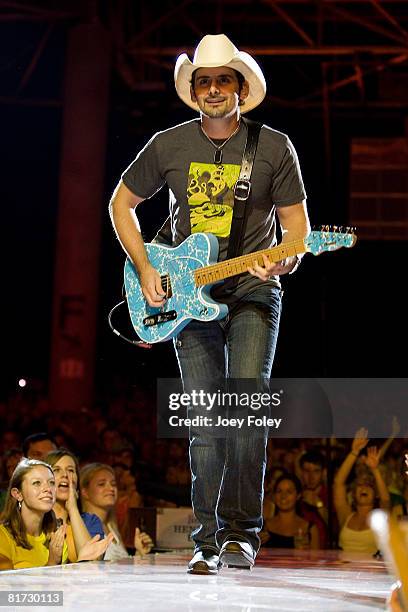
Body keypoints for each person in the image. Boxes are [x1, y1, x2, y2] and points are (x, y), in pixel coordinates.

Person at [109, 33, 310, 573]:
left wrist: (283, 261)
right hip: (186, 293)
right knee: (204, 416)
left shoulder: (274, 147)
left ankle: (239, 534)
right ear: (193, 91)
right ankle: (203, 539)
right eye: (205, 81)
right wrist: (148, 268)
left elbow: (297, 232)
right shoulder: (168, 145)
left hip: (251, 288)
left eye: (224, 80)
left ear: (241, 88)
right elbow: (120, 204)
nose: (214, 89)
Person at [0, 459, 111, 570]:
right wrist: (51, 564)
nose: (48, 489)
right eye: (37, 483)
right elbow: (8, 585)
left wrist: (83, 561)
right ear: (18, 494)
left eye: (51, 483)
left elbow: (62, 585)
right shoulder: (3, 537)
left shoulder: (55, 537)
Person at [80, 463, 153, 562]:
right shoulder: (82, 526)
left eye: (113, 484)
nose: (111, 489)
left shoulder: (112, 527)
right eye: (101, 484)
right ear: (85, 492)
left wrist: (139, 553)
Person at [334, 428, 390, 555]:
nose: (363, 488)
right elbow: (338, 483)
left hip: (371, 574)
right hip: (344, 572)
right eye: (359, 485)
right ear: (353, 493)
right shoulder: (346, 515)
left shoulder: (380, 518)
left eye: (368, 485)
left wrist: (375, 470)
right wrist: (354, 452)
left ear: (375, 493)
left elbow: (385, 499)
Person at [45, 449, 107, 562]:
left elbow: (92, 562)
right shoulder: (38, 520)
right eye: (56, 470)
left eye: (70, 470)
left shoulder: (90, 521)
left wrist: (73, 509)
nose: (64, 475)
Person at [261, 473, 319, 549]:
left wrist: (307, 552)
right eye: (279, 491)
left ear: (298, 495)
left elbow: (316, 558)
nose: (283, 496)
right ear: (274, 495)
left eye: (289, 492)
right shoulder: (263, 527)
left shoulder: (310, 529)